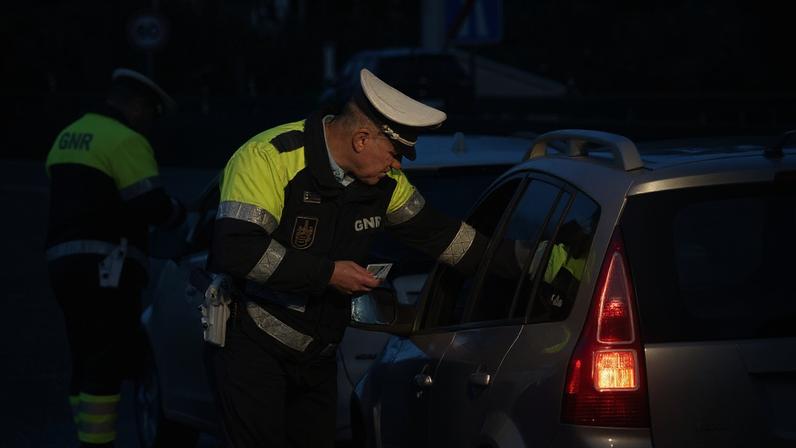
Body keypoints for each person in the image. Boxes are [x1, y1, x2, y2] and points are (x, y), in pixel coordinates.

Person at [205, 68, 491, 447]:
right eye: (395, 152)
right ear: (361, 139)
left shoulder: (384, 183)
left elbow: (443, 236)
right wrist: (328, 275)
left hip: (318, 357)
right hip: (252, 350)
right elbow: (236, 249)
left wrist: (529, 261)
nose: (398, 165)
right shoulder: (268, 157)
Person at [44, 68, 185, 447]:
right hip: (106, 266)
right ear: (137, 106)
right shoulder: (125, 141)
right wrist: (181, 214)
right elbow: (149, 205)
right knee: (105, 359)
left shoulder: (68, 135)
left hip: (62, 264)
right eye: (151, 114)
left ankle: (85, 438)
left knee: (83, 354)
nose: (150, 124)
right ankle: (98, 443)